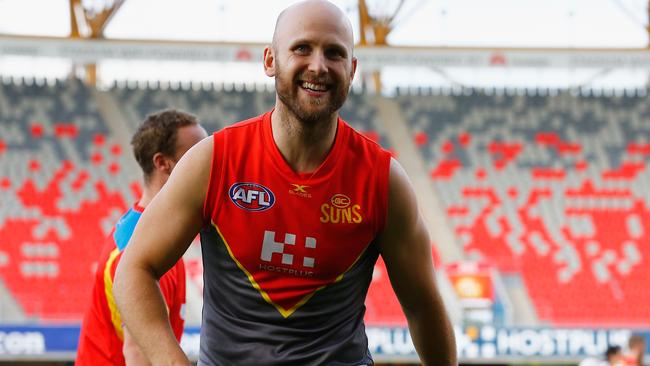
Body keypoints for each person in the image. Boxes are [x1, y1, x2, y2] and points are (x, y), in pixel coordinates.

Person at [113, 1, 457, 365]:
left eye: (335, 53)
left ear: (352, 70)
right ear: (270, 61)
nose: (318, 66)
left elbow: (423, 306)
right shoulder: (214, 161)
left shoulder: (383, 181)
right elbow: (133, 270)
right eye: (302, 48)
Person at [76, 109, 207, 365]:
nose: (209, 162)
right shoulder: (144, 249)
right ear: (162, 163)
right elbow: (138, 353)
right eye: (196, 154)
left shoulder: (146, 227)